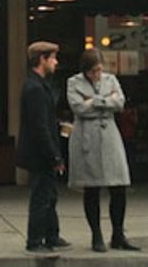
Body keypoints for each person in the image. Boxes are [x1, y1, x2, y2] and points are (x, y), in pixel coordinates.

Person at [66, 48, 140, 252]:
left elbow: (120, 103)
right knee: (92, 188)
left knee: (119, 186)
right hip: (87, 138)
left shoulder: (111, 80)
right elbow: (78, 108)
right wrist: (107, 100)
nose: (97, 75)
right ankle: (96, 235)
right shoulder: (73, 82)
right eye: (93, 71)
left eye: (99, 70)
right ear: (85, 71)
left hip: (110, 137)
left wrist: (94, 101)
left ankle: (118, 234)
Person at [16, 41, 70, 254]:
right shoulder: (34, 88)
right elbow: (39, 126)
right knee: (41, 196)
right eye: (53, 58)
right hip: (40, 153)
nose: (56, 62)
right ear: (42, 59)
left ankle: (52, 235)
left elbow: (45, 121)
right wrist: (55, 156)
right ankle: (35, 240)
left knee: (50, 194)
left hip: (42, 151)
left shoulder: (39, 85)